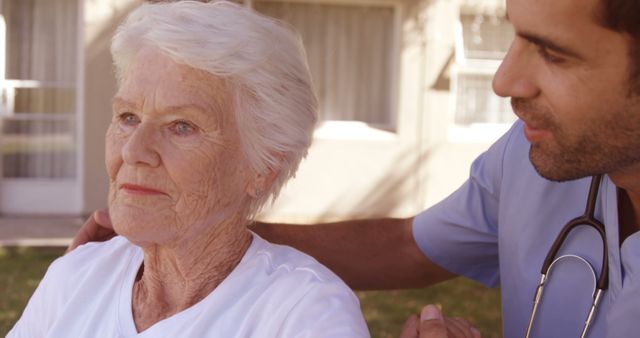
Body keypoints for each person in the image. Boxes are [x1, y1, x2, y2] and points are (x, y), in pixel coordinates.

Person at [71, 0, 640, 336]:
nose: (503, 82)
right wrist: (197, 232)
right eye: (126, 116)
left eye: (555, 54)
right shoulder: (532, 157)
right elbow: (406, 247)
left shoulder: (306, 318)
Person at [9, 1, 375, 336]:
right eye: (128, 116)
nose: (135, 150)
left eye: (182, 126)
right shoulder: (75, 277)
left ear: (263, 166)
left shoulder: (302, 315)